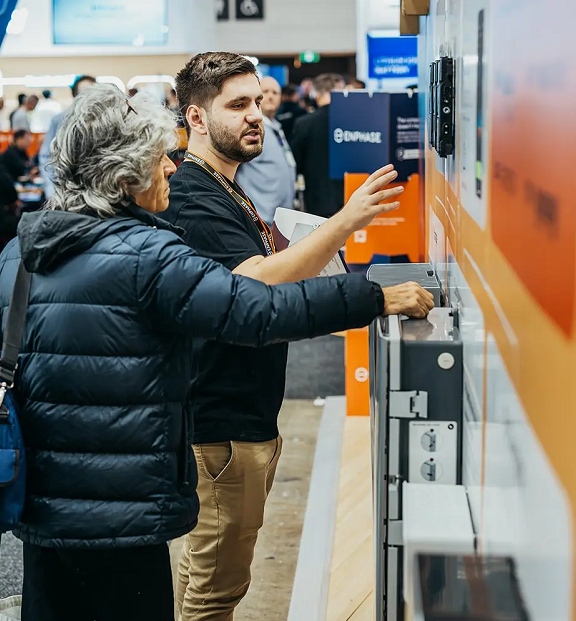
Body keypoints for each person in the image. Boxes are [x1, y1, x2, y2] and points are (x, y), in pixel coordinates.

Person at [0, 84, 432, 621]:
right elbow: (257, 312)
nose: (171, 167)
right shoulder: (149, 255)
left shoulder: (20, 253)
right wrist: (372, 295)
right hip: (125, 510)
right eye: (158, 157)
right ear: (123, 178)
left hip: (38, 504)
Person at [160, 52, 431, 621]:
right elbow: (251, 289)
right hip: (220, 424)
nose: (255, 115)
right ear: (197, 118)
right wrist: (344, 224)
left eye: (257, 101)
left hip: (236, 415)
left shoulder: (222, 187)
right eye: (237, 105)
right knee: (213, 594)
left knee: (199, 581)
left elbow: (261, 277)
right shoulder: (191, 194)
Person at [234, 76, 296, 224]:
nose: (270, 96)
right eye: (266, 92)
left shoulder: (276, 127)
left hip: (281, 219)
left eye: (275, 93)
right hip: (259, 217)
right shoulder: (249, 129)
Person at [291, 73, 347, 217]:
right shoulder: (352, 122)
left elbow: (295, 161)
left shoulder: (303, 124)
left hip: (317, 199)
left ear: (315, 94)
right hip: (350, 199)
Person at [38, 75, 97, 195]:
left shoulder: (105, 123)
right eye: (83, 93)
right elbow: (46, 156)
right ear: (75, 96)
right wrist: (51, 190)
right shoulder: (60, 120)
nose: (87, 98)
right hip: (65, 193)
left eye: (92, 93)